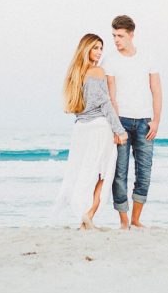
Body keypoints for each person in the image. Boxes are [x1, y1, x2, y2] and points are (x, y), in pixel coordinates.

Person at [54, 33, 127, 230]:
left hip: (80, 129)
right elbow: (106, 103)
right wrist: (119, 130)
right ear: (85, 49)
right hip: (98, 127)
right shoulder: (97, 72)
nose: (99, 52)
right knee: (103, 173)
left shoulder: (74, 75)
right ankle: (89, 214)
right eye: (95, 47)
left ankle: (85, 217)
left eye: (101, 48)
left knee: (85, 172)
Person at [104, 15, 162, 229]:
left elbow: (156, 89)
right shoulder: (109, 60)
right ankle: (124, 221)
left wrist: (156, 120)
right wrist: (117, 128)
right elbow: (111, 96)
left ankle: (137, 220)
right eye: (114, 36)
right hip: (121, 122)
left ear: (131, 35)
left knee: (144, 171)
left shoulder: (147, 57)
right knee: (120, 172)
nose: (116, 40)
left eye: (120, 36)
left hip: (145, 122)